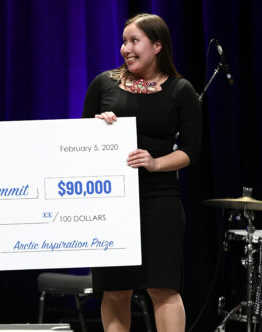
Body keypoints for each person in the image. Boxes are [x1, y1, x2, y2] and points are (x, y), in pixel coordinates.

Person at [82, 13, 202, 332]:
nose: (126, 48)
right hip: (112, 201)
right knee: (116, 288)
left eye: (135, 41)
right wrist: (99, 129)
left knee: (163, 288)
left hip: (159, 199)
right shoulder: (103, 83)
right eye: (124, 41)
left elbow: (190, 151)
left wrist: (155, 162)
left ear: (157, 46)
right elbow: (78, 142)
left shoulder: (181, 90)